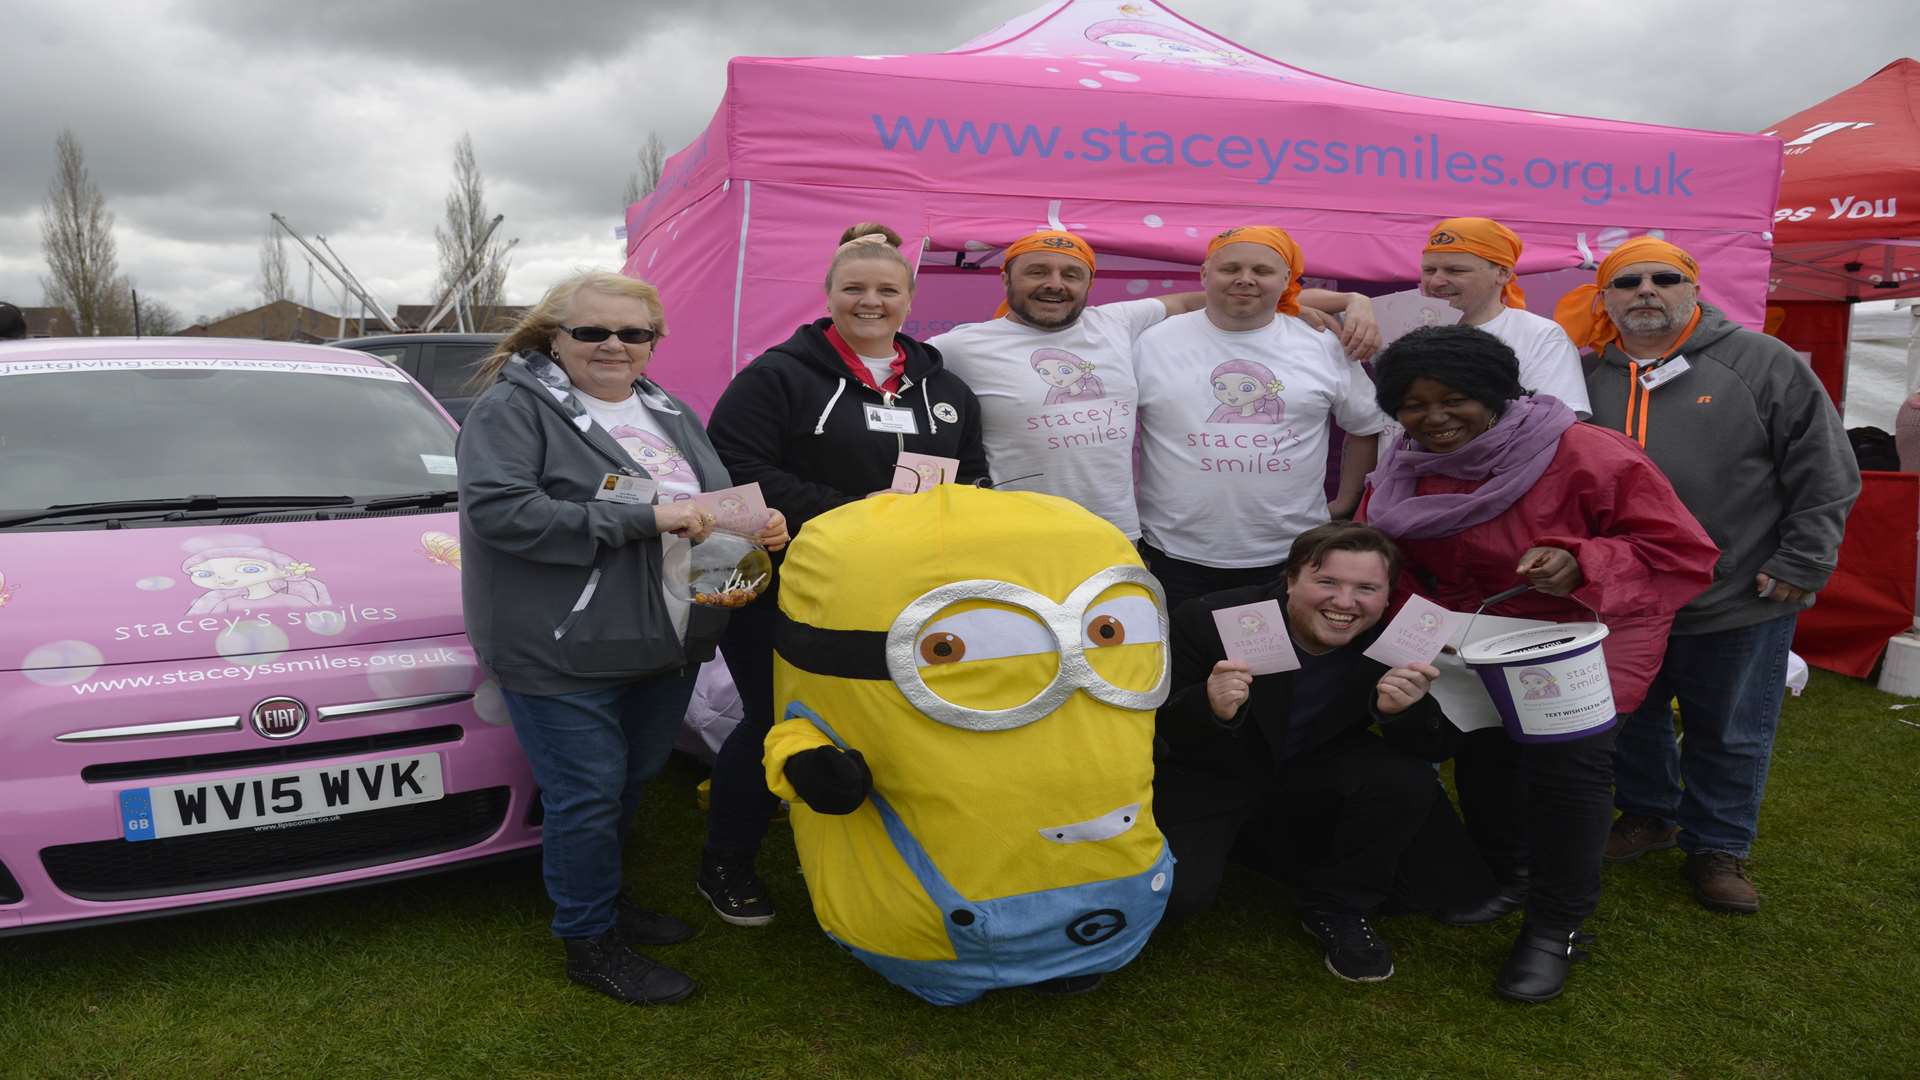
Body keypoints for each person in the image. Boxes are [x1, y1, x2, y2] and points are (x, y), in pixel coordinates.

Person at [456, 270, 788, 1006]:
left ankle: (605, 901)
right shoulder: (515, 410)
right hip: (561, 642)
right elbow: (504, 515)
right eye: (592, 332)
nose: (614, 345)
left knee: (629, 784)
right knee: (587, 794)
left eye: (633, 334)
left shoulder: (666, 406)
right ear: (555, 336)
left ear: (652, 344)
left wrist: (756, 523)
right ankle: (589, 941)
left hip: (664, 638)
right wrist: (648, 519)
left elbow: (707, 500)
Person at [1360, 324, 1718, 1001]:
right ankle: (1512, 874)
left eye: (1454, 399)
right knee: (1483, 752)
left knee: (1567, 770)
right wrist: (1411, 633)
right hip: (1474, 635)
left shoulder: (1585, 453)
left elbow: (1680, 552)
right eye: (1412, 403)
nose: (1433, 418)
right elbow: (1393, 559)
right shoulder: (1406, 464)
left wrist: (1581, 561)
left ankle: (1557, 926)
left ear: (1497, 393)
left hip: (1590, 626)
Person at [1559, 238, 1860, 913]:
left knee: (1728, 727)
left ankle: (1718, 846)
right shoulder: (1583, 375)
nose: (1645, 291)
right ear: (1603, 297)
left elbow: (1826, 468)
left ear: (1694, 289)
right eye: (1625, 281)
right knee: (1629, 718)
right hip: (1622, 597)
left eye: (1664, 278)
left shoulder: (1760, 362)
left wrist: (1803, 560)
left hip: (1736, 592)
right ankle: (1648, 814)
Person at [700, 223, 988, 928]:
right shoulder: (778, 375)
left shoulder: (944, 385)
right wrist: (860, 518)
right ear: (828, 294)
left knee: (887, 721)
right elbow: (736, 466)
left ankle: (869, 855)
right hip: (788, 583)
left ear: (909, 298)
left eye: (886, 290)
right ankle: (725, 863)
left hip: (902, 591)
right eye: (854, 288)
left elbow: (974, 477)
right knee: (776, 719)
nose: (870, 301)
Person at [1153, 522, 1488, 985]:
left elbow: (1435, 747)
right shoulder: (1210, 619)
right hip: (1212, 776)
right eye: (1327, 582)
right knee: (1177, 899)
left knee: (1433, 868)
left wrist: (1402, 713)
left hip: (1310, 765)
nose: (1345, 602)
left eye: (1366, 588)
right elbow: (1155, 733)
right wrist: (1207, 707)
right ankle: (1253, 849)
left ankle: (1338, 906)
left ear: (1387, 595)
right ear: (1291, 579)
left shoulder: (1391, 642)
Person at [927, 230, 1379, 541]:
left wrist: (1346, 300)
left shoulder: (1118, 323)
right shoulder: (960, 346)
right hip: (1015, 534)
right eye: (1036, 272)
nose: (1054, 285)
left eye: (1071, 274)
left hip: (1118, 535)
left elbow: (1221, 298)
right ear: (1006, 278)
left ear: (1090, 283)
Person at [1134, 226, 1391, 611]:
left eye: (1263, 271)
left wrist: (1346, 502)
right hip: (1173, 553)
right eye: (1230, 268)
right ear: (1205, 274)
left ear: (1287, 280)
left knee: (1272, 668)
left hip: (1291, 556)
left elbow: (1365, 427)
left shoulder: (1321, 343)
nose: (1245, 279)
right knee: (1185, 665)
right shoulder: (1149, 342)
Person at [1417, 218, 1589, 418]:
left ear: (1503, 273)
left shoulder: (1540, 335)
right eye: (1429, 270)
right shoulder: (1394, 324)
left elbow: (1554, 425)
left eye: (1456, 270)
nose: (1436, 281)